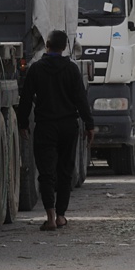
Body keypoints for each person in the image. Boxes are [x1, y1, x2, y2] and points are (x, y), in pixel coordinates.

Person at [18, 30, 95, 230]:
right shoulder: (71, 70)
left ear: (48, 45)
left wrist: (22, 123)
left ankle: (50, 216)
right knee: (65, 171)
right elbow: (81, 99)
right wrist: (89, 125)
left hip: (45, 127)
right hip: (69, 126)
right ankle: (61, 215)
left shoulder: (36, 69)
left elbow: (26, 99)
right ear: (63, 48)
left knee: (46, 172)